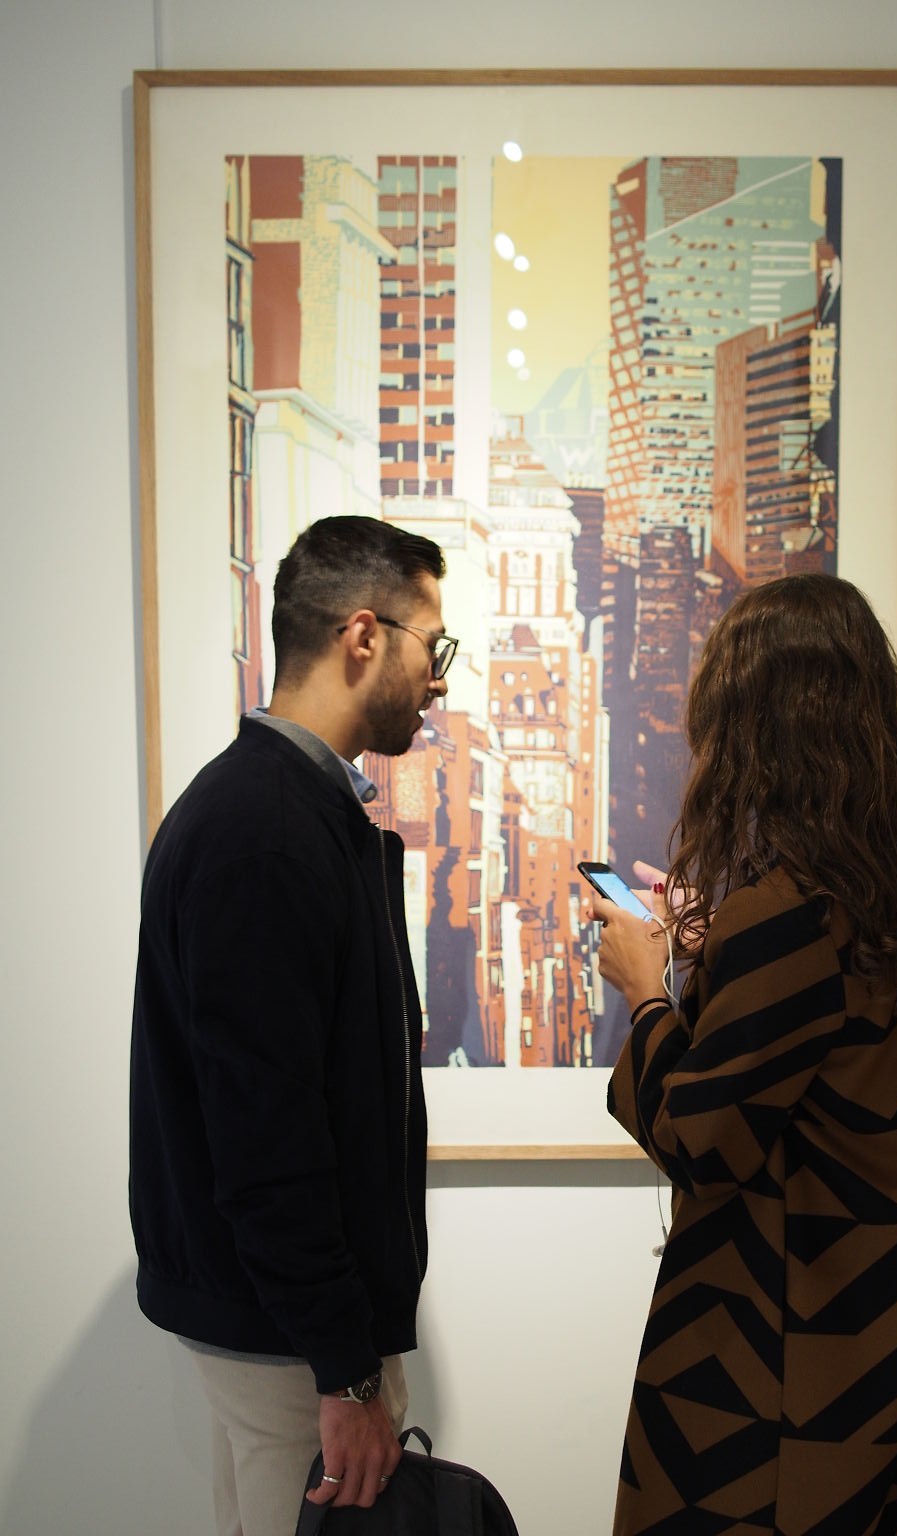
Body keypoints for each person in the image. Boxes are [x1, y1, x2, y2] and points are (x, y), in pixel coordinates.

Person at [591, 574, 897, 1536]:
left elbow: (698, 1141)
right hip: (891, 1346)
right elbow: (826, 1062)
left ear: (750, 729)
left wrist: (647, 988)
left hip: (767, 1371)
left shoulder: (785, 915)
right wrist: (715, 947)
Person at [129, 515, 457, 1536]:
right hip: (290, 1349)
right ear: (363, 637)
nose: (439, 681)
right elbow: (266, 1135)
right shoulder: (266, 836)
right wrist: (346, 1371)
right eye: (433, 646)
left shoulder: (276, 813)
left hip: (279, 1335)